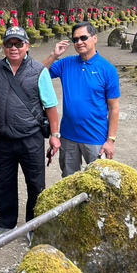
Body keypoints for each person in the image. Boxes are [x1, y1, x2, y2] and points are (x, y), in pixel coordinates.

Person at [42, 21, 120, 177]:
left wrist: (110, 140)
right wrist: (54, 55)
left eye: (83, 37)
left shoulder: (107, 69)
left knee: (99, 181)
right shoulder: (66, 63)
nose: (79, 42)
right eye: (75, 39)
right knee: (69, 180)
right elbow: (38, 73)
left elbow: (114, 107)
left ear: (95, 38)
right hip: (68, 135)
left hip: (95, 136)